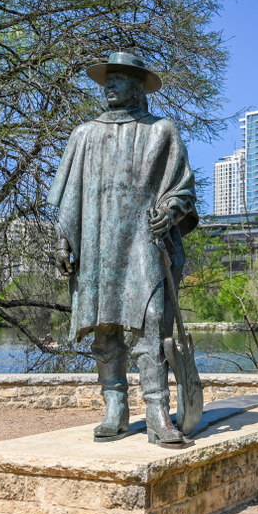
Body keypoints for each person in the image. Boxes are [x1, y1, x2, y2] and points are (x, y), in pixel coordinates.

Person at [47, 52, 198, 443]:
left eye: (118, 78)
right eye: (106, 79)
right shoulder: (84, 135)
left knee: (151, 324)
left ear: (137, 85)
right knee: (104, 327)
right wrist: (64, 240)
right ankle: (114, 407)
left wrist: (170, 210)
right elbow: (68, 197)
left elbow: (182, 188)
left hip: (142, 244)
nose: (109, 85)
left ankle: (157, 412)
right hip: (97, 246)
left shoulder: (160, 131)